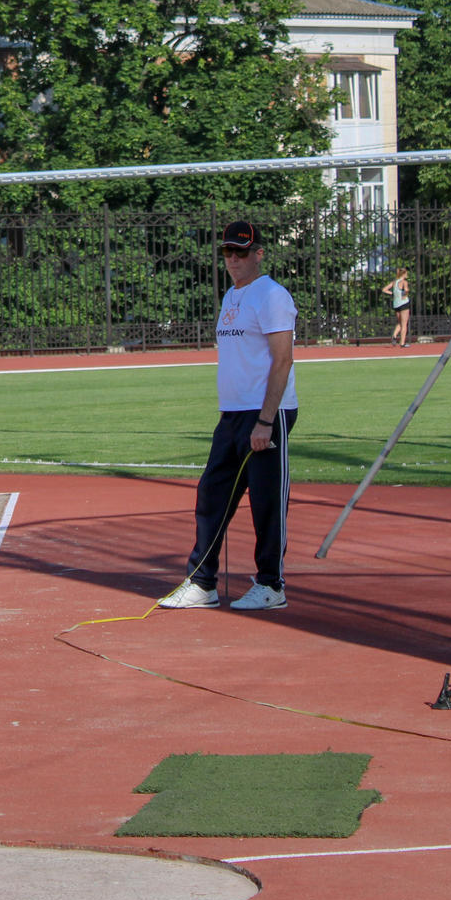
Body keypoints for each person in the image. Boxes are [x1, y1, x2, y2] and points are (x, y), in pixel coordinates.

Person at [158, 220, 299, 613]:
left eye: (241, 251)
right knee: (212, 495)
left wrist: (266, 421)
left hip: (266, 414)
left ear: (259, 253)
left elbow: (282, 359)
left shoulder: (272, 295)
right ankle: (203, 583)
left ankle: (271, 584)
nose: (233, 259)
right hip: (233, 414)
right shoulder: (231, 297)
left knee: (267, 503)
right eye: (227, 252)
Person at [382, 267, 412, 346]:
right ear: (404, 274)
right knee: (404, 323)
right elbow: (406, 290)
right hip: (404, 304)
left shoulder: (394, 282)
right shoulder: (404, 282)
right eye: (406, 273)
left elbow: (384, 289)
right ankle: (402, 343)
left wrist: (392, 294)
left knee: (400, 322)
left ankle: (394, 335)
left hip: (396, 304)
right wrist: (405, 294)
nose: (407, 275)